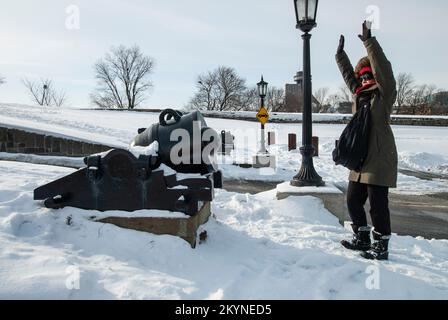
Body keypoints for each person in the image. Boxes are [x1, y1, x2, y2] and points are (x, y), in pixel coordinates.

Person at [335, 21, 398, 260]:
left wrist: (369, 42)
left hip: (379, 157)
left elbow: (385, 71)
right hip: (360, 158)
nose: (363, 80)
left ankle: (381, 245)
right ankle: (362, 238)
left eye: (368, 75)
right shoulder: (359, 95)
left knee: (377, 204)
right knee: (353, 200)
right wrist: (340, 56)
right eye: (361, 76)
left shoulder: (384, 95)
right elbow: (349, 78)